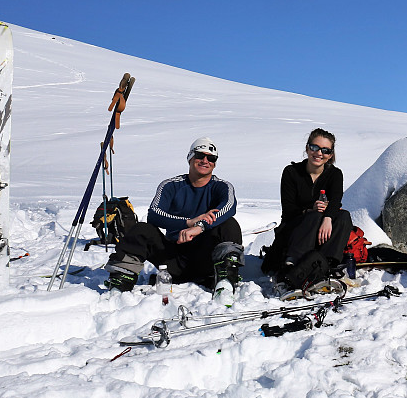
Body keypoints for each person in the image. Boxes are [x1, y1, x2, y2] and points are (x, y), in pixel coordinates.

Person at [105, 137, 243, 303]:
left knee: (229, 225)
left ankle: (225, 284)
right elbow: (154, 215)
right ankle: (120, 286)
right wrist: (188, 222)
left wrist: (199, 227)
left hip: (207, 259)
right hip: (172, 260)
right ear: (190, 157)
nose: (205, 161)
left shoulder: (222, 186)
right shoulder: (171, 185)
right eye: (200, 155)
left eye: (211, 158)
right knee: (142, 229)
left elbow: (229, 207)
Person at [263, 128, 354, 290]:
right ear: (307, 148)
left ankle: (325, 266)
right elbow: (289, 210)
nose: (319, 153)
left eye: (325, 150)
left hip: (320, 232)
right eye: (315, 147)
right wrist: (310, 209)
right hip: (293, 232)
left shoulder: (335, 174)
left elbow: (335, 202)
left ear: (331, 155)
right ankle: (291, 268)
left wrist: (327, 218)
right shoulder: (291, 172)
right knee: (314, 216)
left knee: (343, 216)